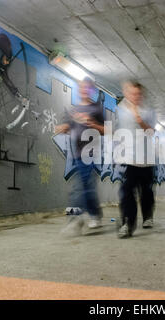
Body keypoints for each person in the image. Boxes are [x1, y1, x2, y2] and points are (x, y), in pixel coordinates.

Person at [56, 78, 104, 232]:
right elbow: (66, 127)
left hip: (91, 153)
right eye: (82, 87)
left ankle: (74, 218)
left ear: (92, 90)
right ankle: (95, 215)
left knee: (79, 187)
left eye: (88, 88)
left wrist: (93, 124)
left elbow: (105, 130)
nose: (84, 90)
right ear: (78, 89)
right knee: (86, 187)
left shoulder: (96, 109)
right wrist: (63, 128)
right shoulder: (73, 110)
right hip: (76, 154)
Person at [115, 80, 157, 238]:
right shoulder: (119, 110)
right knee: (126, 191)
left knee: (146, 191)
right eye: (132, 93)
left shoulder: (149, 111)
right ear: (126, 93)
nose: (135, 96)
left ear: (142, 95)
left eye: (138, 94)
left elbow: (152, 132)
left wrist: (140, 120)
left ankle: (148, 216)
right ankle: (127, 224)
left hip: (146, 158)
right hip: (127, 159)